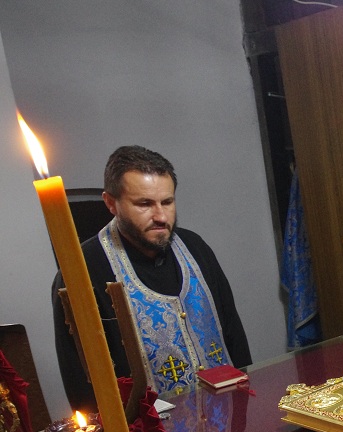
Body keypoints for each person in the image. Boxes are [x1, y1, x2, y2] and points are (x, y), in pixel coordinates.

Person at [53, 145, 251, 410]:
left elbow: (233, 333)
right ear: (111, 203)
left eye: (167, 202)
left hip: (223, 416)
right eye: (144, 204)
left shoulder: (195, 247)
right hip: (146, 430)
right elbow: (81, 381)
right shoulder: (81, 271)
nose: (160, 216)